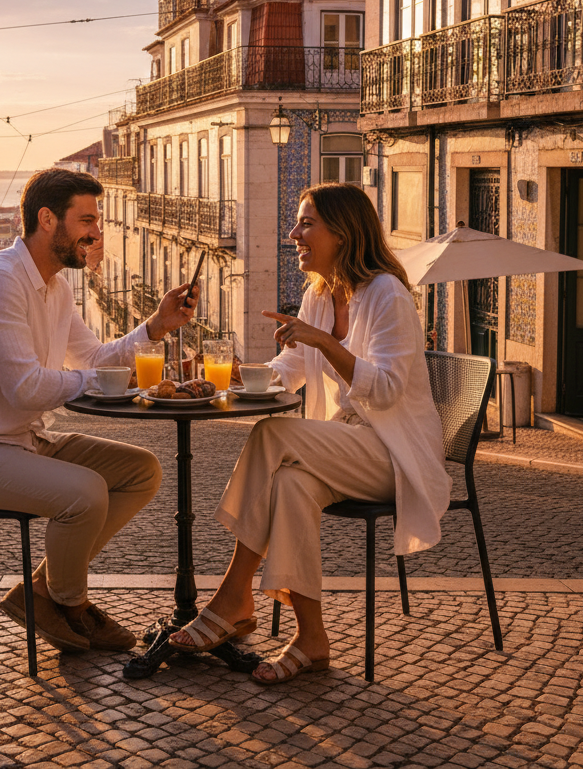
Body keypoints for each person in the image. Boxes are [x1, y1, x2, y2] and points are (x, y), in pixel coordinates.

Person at [168, 183, 451, 684]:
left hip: (393, 453)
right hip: (342, 446)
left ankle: (234, 596)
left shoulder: (388, 294)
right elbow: (291, 368)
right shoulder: (319, 294)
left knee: (272, 435)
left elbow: (384, 391)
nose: (294, 234)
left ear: (342, 233)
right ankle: (312, 638)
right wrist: (241, 373)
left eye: (306, 224)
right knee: (291, 487)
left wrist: (324, 341)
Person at [0, 168, 199, 655]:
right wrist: (113, 382)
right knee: (85, 493)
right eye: (86, 220)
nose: (96, 233)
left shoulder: (55, 287)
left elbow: (90, 360)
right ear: (47, 219)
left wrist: (154, 327)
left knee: (141, 470)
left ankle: (42, 593)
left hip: (21, 441)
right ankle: (72, 603)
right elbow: (26, 388)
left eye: (98, 221)